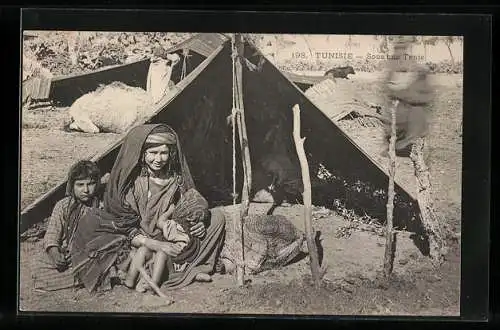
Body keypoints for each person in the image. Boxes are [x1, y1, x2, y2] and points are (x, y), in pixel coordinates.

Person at [70, 124, 226, 294]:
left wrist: (197, 224)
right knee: (98, 226)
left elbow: (187, 210)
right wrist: (154, 243)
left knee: (217, 217)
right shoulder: (133, 184)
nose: (158, 159)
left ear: (171, 154)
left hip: (169, 234)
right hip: (140, 239)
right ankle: (181, 271)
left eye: (164, 153)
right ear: (142, 154)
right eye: (153, 153)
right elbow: (124, 224)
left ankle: (190, 268)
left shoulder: (177, 181)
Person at [33, 160, 102, 292]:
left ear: (97, 184)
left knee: (102, 262)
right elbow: (52, 233)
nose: (86, 190)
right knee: (38, 265)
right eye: (80, 185)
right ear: (72, 186)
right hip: (68, 254)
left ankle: (84, 277)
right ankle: (84, 278)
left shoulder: (101, 205)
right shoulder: (63, 206)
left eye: (91, 184)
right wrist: (54, 253)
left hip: (90, 255)